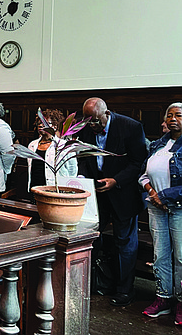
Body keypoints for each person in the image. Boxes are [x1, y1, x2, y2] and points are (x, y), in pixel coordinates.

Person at [78, 97, 147, 306]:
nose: (92, 126)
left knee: (124, 243)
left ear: (106, 114)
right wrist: (82, 180)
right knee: (91, 239)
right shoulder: (85, 129)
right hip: (97, 194)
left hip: (123, 193)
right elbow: (83, 158)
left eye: (96, 121)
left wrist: (115, 180)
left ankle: (125, 291)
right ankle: (96, 283)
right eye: (88, 121)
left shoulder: (131, 127)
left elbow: (138, 162)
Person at [139, 103, 182, 322]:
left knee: (181, 257)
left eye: (179, 115)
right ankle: (164, 297)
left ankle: (181, 303)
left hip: (179, 209)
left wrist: (164, 196)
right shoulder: (157, 144)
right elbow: (143, 175)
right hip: (156, 208)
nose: (173, 118)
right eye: (170, 115)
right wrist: (152, 192)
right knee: (161, 256)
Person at [27, 109, 77, 192]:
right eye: (39, 123)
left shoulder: (64, 145)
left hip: (54, 190)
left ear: (54, 126)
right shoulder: (32, 145)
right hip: (35, 188)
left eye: (45, 123)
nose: (40, 125)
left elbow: (72, 170)